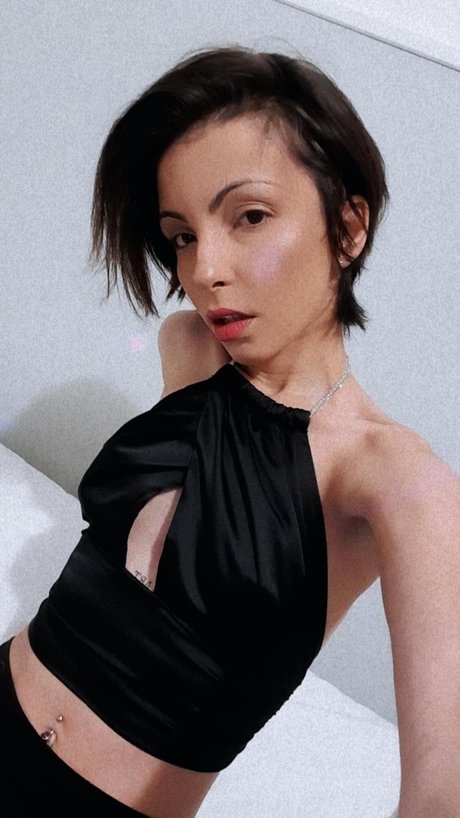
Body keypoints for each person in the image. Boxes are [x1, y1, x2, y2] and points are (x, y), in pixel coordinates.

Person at [1, 44, 459, 818]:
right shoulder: (189, 348)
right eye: (181, 234)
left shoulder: (397, 480)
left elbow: (444, 783)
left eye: (248, 217)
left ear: (348, 226)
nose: (204, 270)